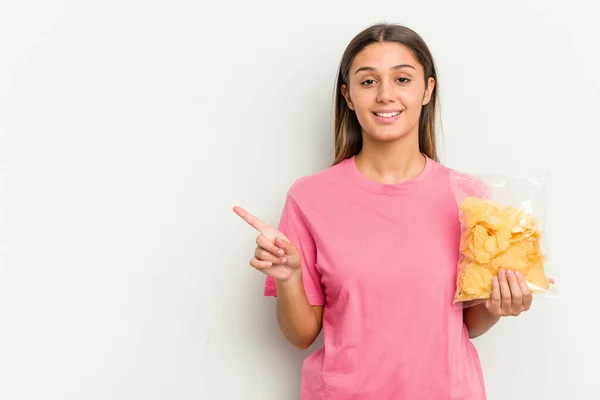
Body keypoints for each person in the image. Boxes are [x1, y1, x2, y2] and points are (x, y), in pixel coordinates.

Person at [233, 23, 541, 400]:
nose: (385, 95)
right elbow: (301, 335)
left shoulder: (468, 198)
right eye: (367, 82)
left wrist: (499, 303)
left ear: (427, 89)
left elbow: (470, 322)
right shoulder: (309, 197)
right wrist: (289, 278)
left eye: (402, 79)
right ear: (347, 96)